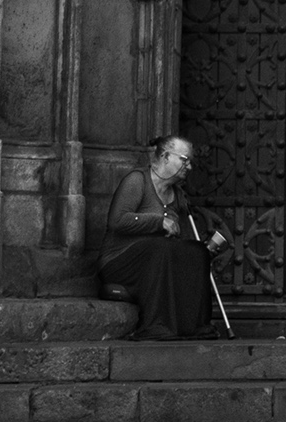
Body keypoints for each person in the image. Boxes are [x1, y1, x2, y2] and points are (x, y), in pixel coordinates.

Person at [98, 136, 230, 340]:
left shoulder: (177, 196)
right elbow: (117, 220)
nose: (189, 167)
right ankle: (154, 325)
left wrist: (198, 252)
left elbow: (177, 244)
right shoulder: (138, 181)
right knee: (159, 248)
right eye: (184, 160)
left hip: (155, 260)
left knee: (196, 251)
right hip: (119, 261)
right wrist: (158, 222)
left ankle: (194, 326)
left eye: (190, 162)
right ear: (166, 157)